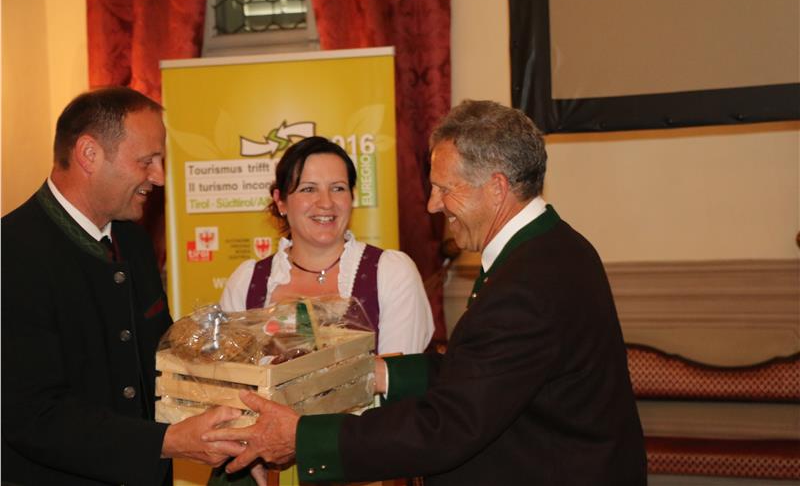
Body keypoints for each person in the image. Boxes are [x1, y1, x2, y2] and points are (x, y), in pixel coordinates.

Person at [203, 100, 648, 485]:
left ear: (496, 188)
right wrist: (377, 372)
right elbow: (482, 372)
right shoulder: (551, 248)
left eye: (443, 189)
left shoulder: (527, 281)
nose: (433, 204)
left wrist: (302, 439)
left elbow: (449, 424)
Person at [1, 87, 246, 486]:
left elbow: (157, 360)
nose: (159, 177)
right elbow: (32, 415)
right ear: (89, 154)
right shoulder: (11, 253)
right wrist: (166, 442)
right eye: (147, 161)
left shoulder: (132, 241)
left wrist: (236, 418)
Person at [220, 136, 434, 356]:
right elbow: (228, 371)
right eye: (308, 189)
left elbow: (397, 373)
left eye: (338, 188)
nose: (326, 202)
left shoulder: (392, 273)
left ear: (352, 197)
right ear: (280, 201)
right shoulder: (246, 283)